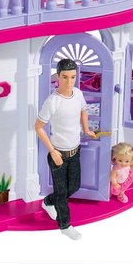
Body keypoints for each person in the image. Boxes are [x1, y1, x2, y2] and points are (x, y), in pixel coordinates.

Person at [35, 58, 97, 240]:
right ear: (58, 77)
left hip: (75, 151)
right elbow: (38, 126)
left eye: (73, 77)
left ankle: (48, 201)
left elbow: (83, 110)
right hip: (58, 154)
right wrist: (53, 151)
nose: (69, 82)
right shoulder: (52, 102)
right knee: (62, 192)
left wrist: (86, 129)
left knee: (74, 186)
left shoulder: (78, 94)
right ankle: (65, 226)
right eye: (65, 77)